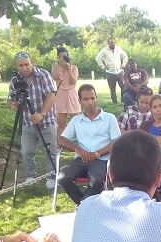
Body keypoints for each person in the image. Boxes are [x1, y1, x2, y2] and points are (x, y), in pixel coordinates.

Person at [57, 84, 120, 206]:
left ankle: (83, 206)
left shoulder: (109, 118)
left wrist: (96, 154)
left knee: (96, 181)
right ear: (79, 101)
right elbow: (62, 140)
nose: (90, 102)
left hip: (102, 160)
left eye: (92, 98)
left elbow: (116, 142)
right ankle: (84, 204)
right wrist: (77, 149)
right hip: (81, 160)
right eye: (86, 99)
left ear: (96, 98)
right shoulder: (76, 121)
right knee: (62, 178)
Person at [7, 51, 58, 189]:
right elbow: (11, 98)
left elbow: (51, 96)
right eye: (21, 65)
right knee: (27, 152)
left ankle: (52, 177)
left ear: (32, 63)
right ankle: (30, 176)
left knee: (50, 151)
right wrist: (11, 103)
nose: (24, 68)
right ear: (17, 66)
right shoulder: (15, 81)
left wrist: (42, 113)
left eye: (27, 64)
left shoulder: (43, 75)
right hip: (26, 123)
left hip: (46, 122)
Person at [51, 46, 80, 137]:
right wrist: (60, 66)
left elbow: (73, 81)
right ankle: (61, 143)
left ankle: (81, 141)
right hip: (60, 94)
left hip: (71, 94)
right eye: (61, 57)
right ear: (58, 58)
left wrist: (68, 69)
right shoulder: (55, 66)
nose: (63, 59)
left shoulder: (74, 67)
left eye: (65, 56)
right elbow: (54, 77)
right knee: (61, 123)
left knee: (77, 120)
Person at [95, 37, 128, 104]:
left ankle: (123, 100)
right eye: (111, 43)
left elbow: (125, 56)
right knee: (112, 88)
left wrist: (123, 64)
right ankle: (114, 102)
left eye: (114, 42)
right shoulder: (104, 50)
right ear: (108, 43)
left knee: (123, 86)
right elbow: (98, 58)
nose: (113, 44)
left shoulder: (118, 49)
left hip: (119, 72)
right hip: (110, 72)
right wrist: (103, 67)